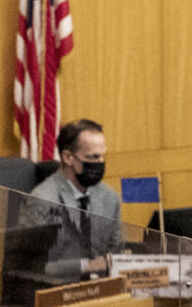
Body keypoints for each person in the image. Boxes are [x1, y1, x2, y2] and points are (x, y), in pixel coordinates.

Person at [25, 119, 123, 280]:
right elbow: (33, 266)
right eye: (93, 157)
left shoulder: (109, 197)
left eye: (103, 157)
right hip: (58, 291)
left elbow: (116, 253)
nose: (100, 163)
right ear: (68, 157)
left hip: (104, 291)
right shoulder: (42, 199)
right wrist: (86, 266)